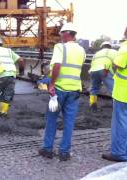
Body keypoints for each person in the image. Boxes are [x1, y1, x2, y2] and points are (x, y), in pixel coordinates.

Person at [38, 23, 86, 161]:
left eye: (61, 34)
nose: (60, 36)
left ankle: (47, 149)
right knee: (69, 122)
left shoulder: (60, 47)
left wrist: (51, 84)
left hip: (59, 89)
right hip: (75, 90)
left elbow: (57, 65)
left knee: (52, 119)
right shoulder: (82, 50)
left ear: (66, 34)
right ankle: (64, 152)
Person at [102, 31, 127, 162]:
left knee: (120, 123)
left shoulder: (125, 49)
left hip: (123, 93)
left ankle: (119, 153)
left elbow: (117, 65)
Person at [0, 38, 24, 117]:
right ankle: (3, 113)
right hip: (11, 75)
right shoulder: (9, 51)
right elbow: (21, 60)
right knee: (7, 94)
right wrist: (21, 71)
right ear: (1, 44)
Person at [89, 41, 117, 112]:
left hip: (93, 70)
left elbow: (92, 63)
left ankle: (93, 105)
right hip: (105, 70)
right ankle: (116, 107)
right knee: (113, 89)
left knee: (94, 88)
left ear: (102, 47)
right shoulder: (113, 51)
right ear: (110, 46)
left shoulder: (97, 53)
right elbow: (118, 62)